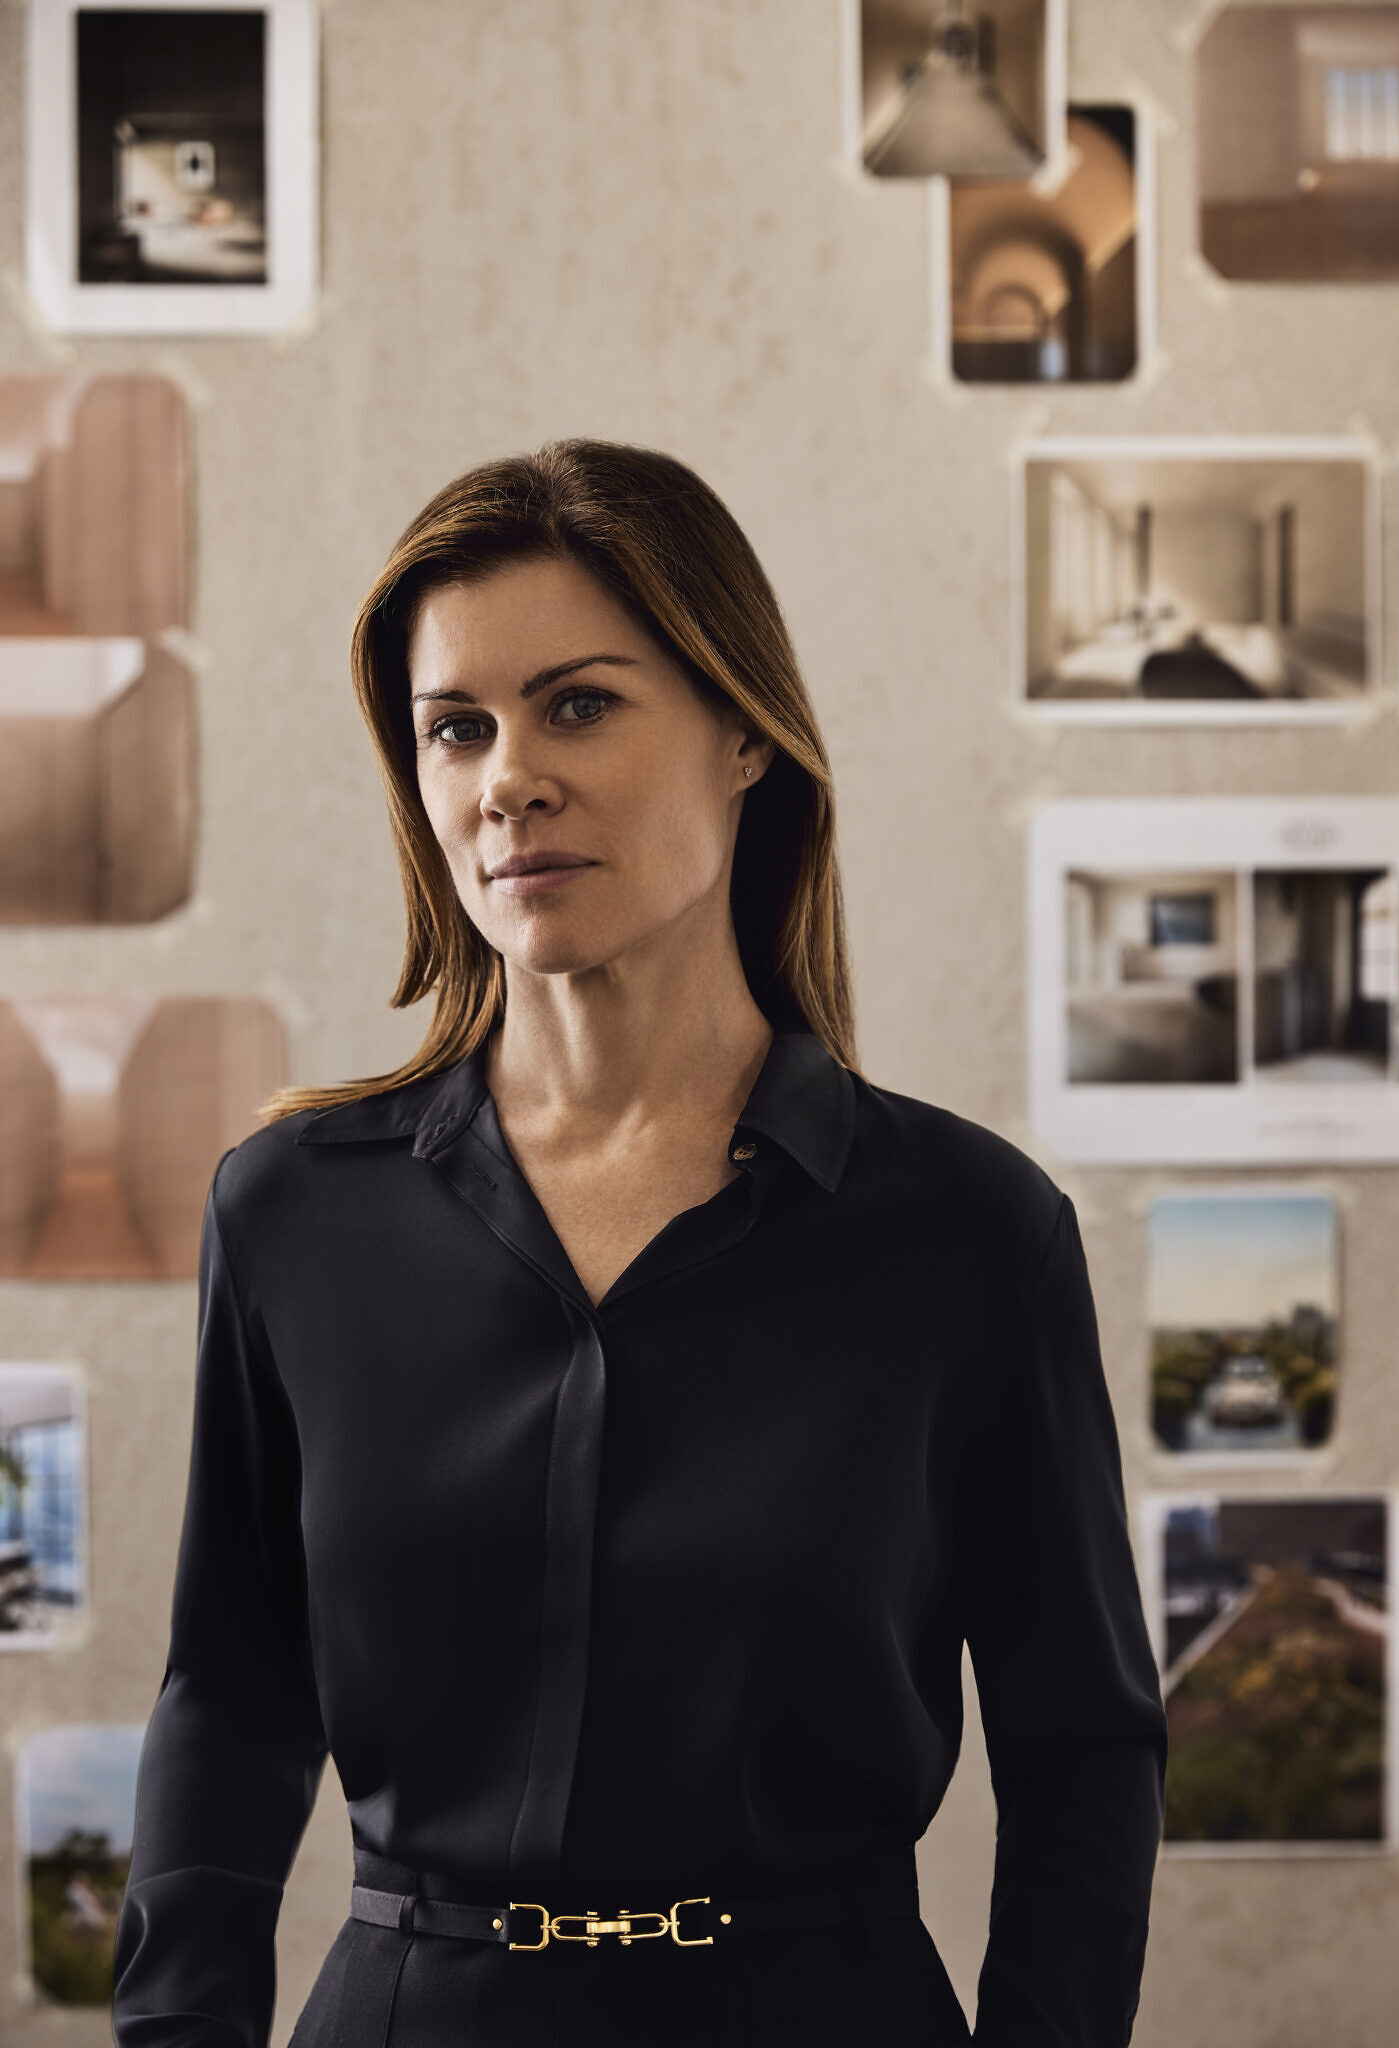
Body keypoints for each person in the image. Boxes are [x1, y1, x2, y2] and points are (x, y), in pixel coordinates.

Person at [110, 439, 1167, 2048]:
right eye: (454, 727)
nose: (504, 777)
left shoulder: (969, 1235)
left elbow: (1083, 1749)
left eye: (578, 705)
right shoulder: (291, 1214)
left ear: (744, 730)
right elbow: (230, 1704)